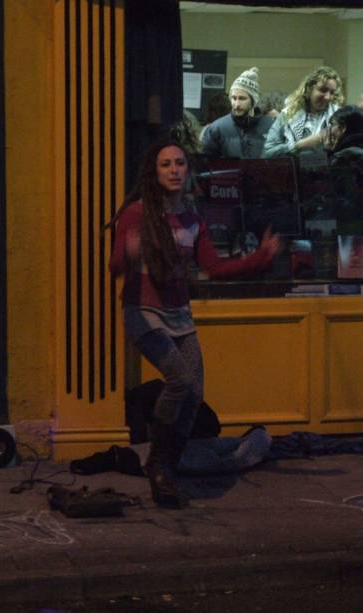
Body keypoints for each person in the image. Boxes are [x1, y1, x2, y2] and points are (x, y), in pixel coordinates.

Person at [106, 135, 280, 508]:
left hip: (179, 315)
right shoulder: (136, 213)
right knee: (180, 380)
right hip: (143, 312)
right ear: (154, 173)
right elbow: (114, 267)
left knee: (195, 395)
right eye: (166, 164)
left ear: (188, 172)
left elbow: (213, 268)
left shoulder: (192, 218)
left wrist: (260, 258)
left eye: (180, 164)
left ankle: (164, 463)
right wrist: (130, 254)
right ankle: (160, 463)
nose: (174, 170)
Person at [262, 66, 344, 159]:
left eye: (332, 92)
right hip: (293, 172)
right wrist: (299, 145)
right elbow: (267, 153)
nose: (328, 97)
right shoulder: (288, 115)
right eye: (323, 90)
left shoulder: (339, 118)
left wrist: (332, 149)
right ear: (309, 89)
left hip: (327, 172)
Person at [200, 67, 274, 159]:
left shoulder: (271, 126)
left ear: (254, 100)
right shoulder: (216, 128)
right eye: (234, 98)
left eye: (242, 98)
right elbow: (206, 163)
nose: (237, 104)